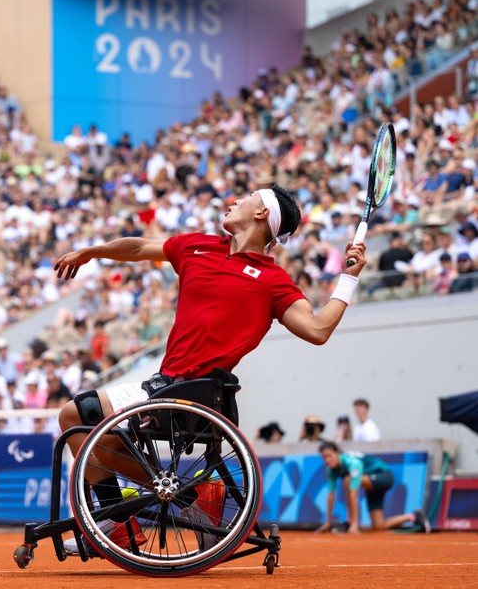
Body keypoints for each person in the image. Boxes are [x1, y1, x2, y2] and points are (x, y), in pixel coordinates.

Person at [53, 185, 366, 552]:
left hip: (197, 394)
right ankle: (125, 520)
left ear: (262, 213)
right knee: (75, 417)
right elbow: (139, 248)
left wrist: (349, 279)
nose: (234, 201)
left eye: (246, 198)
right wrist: (93, 252)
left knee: (82, 419)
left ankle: (165, 504)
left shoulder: (272, 280)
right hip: (161, 386)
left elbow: (317, 330)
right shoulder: (197, 246)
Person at [315, 441, 428, 534]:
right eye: (324, 458)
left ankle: (350, 521)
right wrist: (328, 522)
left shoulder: (352, 463)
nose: (327, 460)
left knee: (347, 480)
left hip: (384, 476)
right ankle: (414, 516)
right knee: (378, 526)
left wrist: (354, 524)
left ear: (337, 452)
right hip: (371, 486)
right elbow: (331, 495)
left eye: (329, 456)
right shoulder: (330, 469)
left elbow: (353, 493)